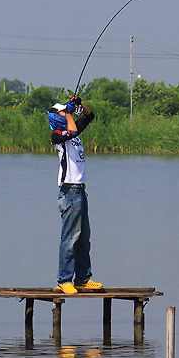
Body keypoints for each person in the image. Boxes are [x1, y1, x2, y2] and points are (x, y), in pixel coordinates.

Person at [49, 96, 102, 295]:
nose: (67, 113)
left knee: (83, 237)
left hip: (80, 190)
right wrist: (69, 112)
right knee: (70, 237)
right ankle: (64, 280)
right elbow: (70, 131)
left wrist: (78, 104)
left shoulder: (73, 131)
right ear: (56, 117)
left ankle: (82, 279)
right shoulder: (58, 135)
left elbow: (90, 116)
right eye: (63, 111)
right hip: (69, 191)